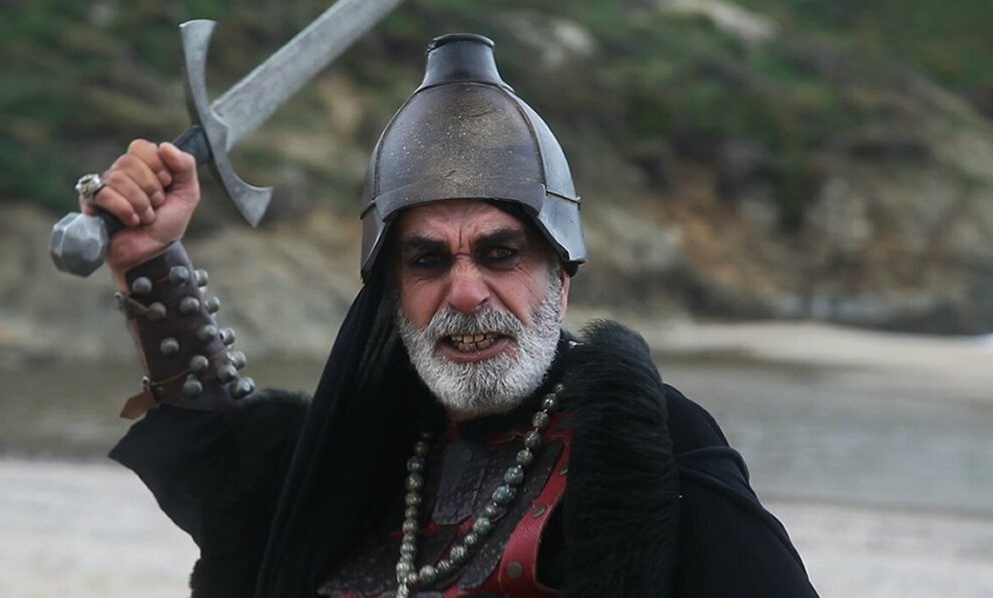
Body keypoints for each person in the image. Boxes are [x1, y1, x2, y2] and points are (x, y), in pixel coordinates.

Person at [84, 33, 818, 597]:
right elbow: (234, 490)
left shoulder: (650, 446)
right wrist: (151, 261)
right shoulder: (366, 453)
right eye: (428, 261)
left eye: (501, 254)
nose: (466, 293)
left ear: (560, 277)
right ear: (391, 291)